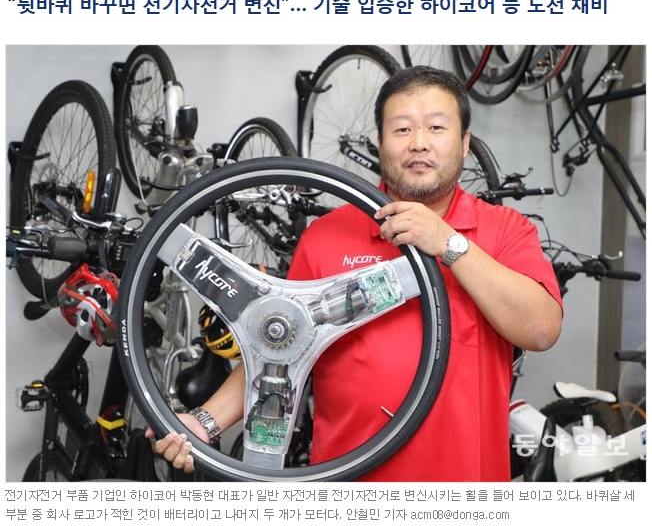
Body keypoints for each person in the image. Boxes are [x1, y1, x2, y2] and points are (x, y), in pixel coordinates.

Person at [147, 65, 563, 481]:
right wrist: (204, 422)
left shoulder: (505, 231)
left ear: (465, 142)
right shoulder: (326, 238)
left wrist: (449, 243)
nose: (419, 143)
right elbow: (279, 349)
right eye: (402, 129)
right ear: (380, 143)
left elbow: (541, 330)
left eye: (437, 127)